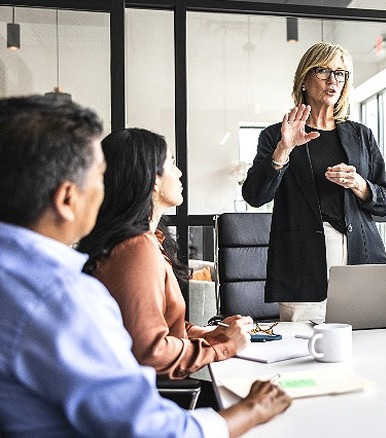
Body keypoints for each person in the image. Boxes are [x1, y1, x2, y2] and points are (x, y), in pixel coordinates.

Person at [0, 95, 290, 437]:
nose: (104, 188)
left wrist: (214, 334)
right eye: (99, 175)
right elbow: (149, 425)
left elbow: (157, 332)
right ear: (67, 199)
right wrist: (252, 408)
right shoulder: (64, 297)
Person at [77, 128, 252, 395]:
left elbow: (162, 328)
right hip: (155, 400)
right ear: (153, 180)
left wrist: (212, 334)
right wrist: (223, 347)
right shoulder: (137, 249)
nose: (180, 173)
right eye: (171, 163)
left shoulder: (145, 241)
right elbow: (151, 352)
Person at [242, 41, 386, 322]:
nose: (333, 80)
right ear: (304, 80)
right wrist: (283, 150)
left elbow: (384, 200)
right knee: (301, 351)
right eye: (323, 71)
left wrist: (360, 185)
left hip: (360, 254)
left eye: (340, 73)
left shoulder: (361, 135)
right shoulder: (276, 134)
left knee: (367, 345)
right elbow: (254, 195)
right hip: (302, 261)